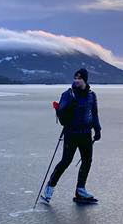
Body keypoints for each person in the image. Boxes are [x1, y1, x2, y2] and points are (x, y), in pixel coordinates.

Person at [41, 68, 101, 204]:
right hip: (71, 133)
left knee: (87, 161)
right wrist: (67, 107)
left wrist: (97, 130)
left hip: (86, 133)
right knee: (66, 161)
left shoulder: (92, 95)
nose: (77, 80)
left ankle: (80, 190)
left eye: (80, 78)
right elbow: (62, 114)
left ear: (85, 80)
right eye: (75, 78)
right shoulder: (68, 95)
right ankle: (50, 187)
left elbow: (95, 114)